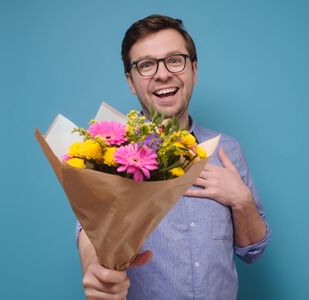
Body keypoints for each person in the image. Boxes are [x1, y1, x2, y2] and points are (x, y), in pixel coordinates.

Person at [77, 14, 271, 300]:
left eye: (175, 60)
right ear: (131, 81)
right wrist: (96, 271)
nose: (163, 73)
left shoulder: (228, 150)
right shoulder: (108, 152)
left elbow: (253, 249)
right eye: (146, 65)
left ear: (193, 69)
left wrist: (241, 200)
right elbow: (89, 230)